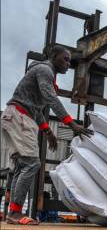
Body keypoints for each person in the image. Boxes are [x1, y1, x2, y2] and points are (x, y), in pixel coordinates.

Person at [1, 45, 93, 225]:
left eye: (69, 61)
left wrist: (48, 131)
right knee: (32, 164)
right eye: (65, 59)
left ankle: (13, 212)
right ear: (53, 56)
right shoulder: (45, 70)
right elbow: (51, 98)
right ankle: (15, 213)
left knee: (22, 167)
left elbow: (36, 109)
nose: (68, 63)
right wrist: (71, 123)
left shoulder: (42, 73)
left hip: (16, 115)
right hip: (19, 116)